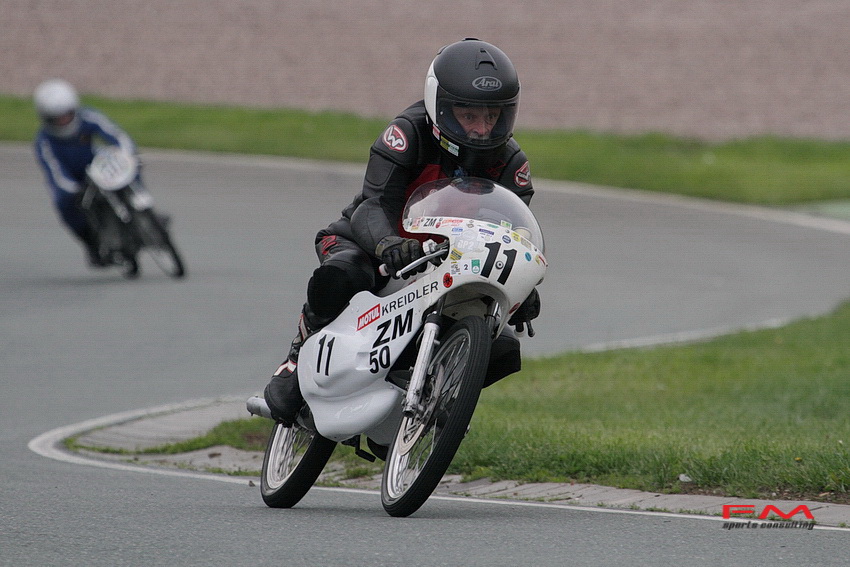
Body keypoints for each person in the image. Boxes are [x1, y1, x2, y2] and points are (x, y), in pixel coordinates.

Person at [264, 38, 541, 429]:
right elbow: (372, 204)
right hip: (368, 241)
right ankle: (296, 355)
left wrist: (522, 287)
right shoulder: (406, 132)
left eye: (492, 117)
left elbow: (511, 236)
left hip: (443, 264)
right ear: (441, 107)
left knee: (504, 348)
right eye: (468, 115)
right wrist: (387, 244)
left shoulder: (512, 164)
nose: (481, 129)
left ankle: (431, 390)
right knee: (342, 273)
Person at [33, 78, 148, 268]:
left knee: (130, 166)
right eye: (57, 118)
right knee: (64, 205)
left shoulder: (89, 117)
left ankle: (142, 204)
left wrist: (129, 154)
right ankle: (92, 244)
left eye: (67, 115)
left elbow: (117, 135)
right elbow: (55, 173)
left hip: (97, 164)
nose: (63, 121)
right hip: (74, 180)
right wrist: (72, 189)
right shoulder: (44, 142)